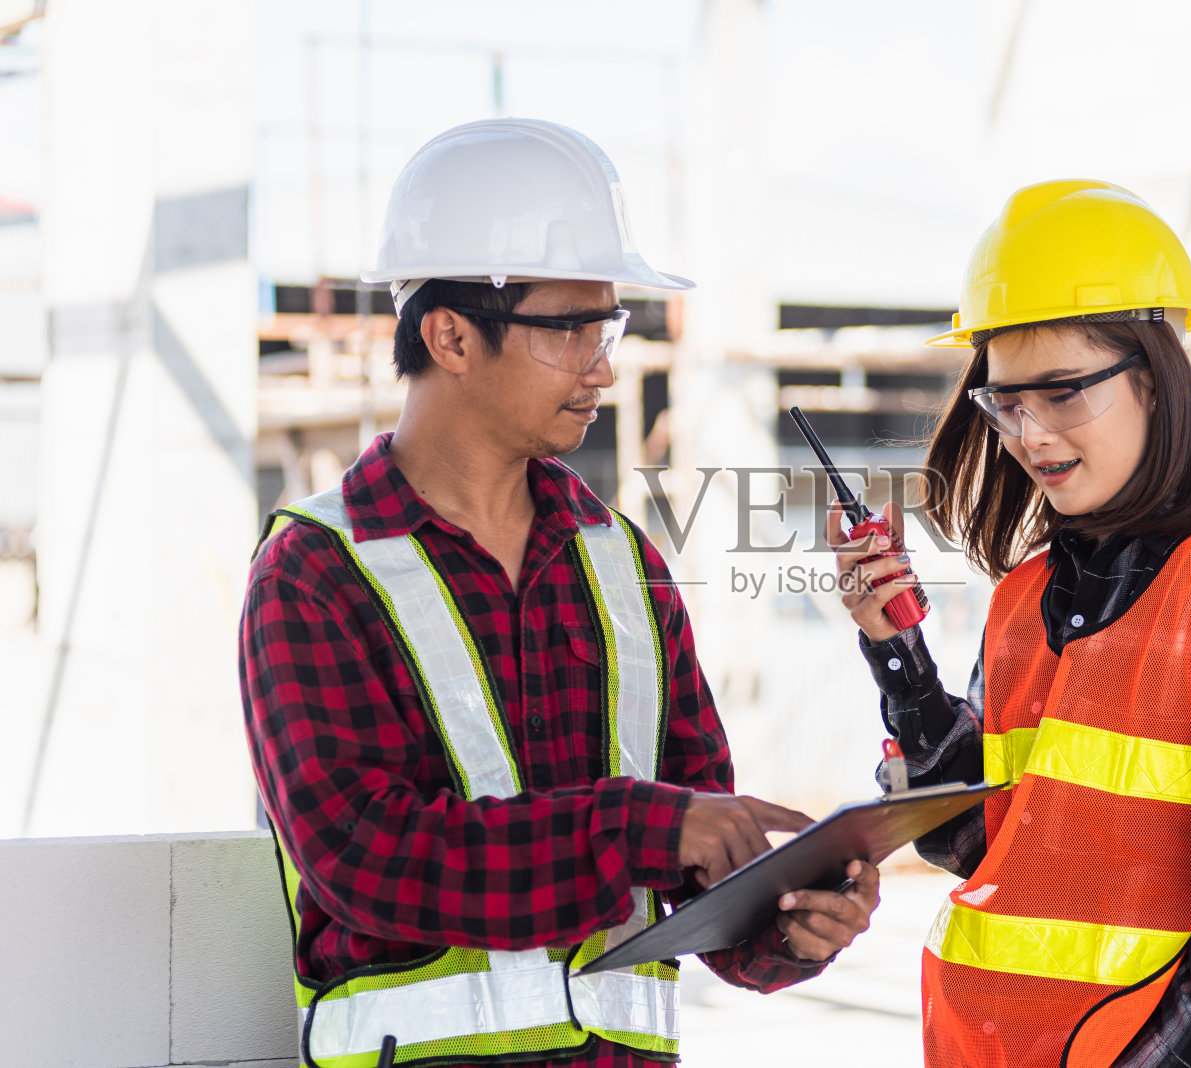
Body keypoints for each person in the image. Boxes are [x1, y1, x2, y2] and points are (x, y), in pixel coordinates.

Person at [240, 118, 881, 1068]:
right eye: (570, 328)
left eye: (608, 325)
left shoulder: (624, 566)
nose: (604, 365)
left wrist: (785, 923)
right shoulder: (318, 569)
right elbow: (363, 854)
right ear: (451, 335)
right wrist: (636, 827)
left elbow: (694, 860)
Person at [825, 180, 1191, 1068]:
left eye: (1064, 392)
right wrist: (901, 661)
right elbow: (982, 842)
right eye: (1006, 403)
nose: (1029, 433)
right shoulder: (1023, 601)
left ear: (1154, 380)